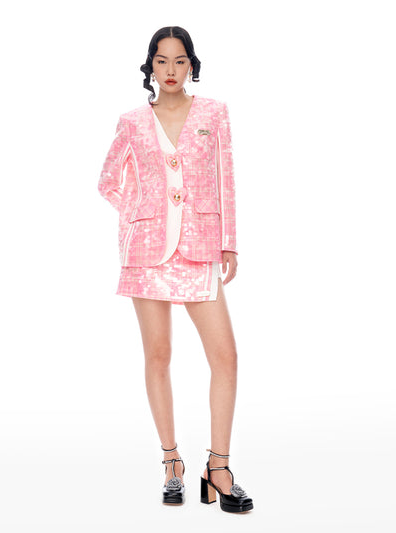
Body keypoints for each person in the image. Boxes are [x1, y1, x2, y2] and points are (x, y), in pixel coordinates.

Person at [98, 26, 253, 513]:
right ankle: (171, 465)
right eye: (161, 61)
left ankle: (218, 469)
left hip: (200, 246)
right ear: (150, 66)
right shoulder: (131, 122)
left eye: (179, 60)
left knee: (225, 356)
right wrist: (141, 212)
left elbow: (226, 178)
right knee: (158, 355)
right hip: (145, 250)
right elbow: (108, 181)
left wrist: (229, 243)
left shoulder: (214, 113)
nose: (170, 70)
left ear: (191, 65)